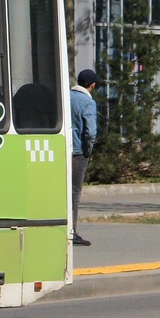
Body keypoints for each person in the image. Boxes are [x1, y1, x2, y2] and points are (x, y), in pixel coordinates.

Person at [70, 68, 100, 247]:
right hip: (79, 151)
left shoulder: (66, 96)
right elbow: (90, 131)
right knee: (74, 192)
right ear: (92, 85)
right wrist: (88, 150)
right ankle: (72, 232)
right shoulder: (88, 103)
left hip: (63, 148)